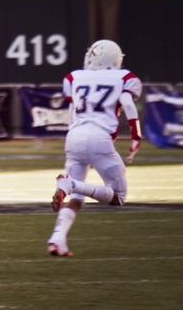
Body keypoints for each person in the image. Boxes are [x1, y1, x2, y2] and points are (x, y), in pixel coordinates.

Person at [47, 39, 142, 257]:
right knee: (118, 196)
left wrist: (73, 137)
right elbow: (127, 103)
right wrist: (136, 135)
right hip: (99, 137)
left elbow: (73, 109)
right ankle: (71, 184)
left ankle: (57, 239)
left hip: (74, 136)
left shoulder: (74, 76)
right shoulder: (125, 77)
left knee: (76, 199)